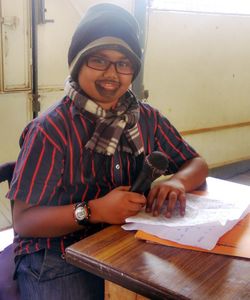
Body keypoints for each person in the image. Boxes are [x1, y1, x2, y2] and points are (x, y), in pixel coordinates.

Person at [7, 3, 208, 300]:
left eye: (123, 63)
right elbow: (25, 221)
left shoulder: (145, 118)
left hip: (120, 241)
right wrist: (95, 210)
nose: (112, 74)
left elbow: (196, 163)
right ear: (78, 63)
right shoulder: (51, 130)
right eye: (99, 60)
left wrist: (177, 181)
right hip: (54, 252)